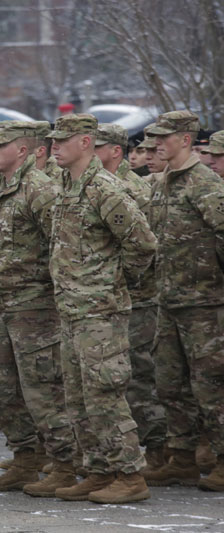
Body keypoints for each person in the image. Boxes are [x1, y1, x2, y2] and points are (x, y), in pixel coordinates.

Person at [48, 113, 155, 504]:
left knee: (105, 394)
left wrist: (113, 280)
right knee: (78, 398)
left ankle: (130, 475)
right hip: (71, 309)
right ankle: (98, 469)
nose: (54, 147)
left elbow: (143, 243)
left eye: (62, 140)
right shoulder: (66, 185)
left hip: (99, 313)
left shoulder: (103, 188)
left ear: (85, 143)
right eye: (53, 140)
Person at [0, 121, 78, 496]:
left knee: (43, 388)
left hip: (35, 307)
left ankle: (65, 464)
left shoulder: (39, 189)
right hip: (4, 305)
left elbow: (64, 244)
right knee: (5, 388)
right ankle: (25, 459)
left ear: (22, 151)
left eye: (0, 146)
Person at [144, 111, 224, 492]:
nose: (156, 144)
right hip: (169, 300)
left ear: (186, 140)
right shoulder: (164, 182)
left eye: (164, 138)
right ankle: (182, 459)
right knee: (170, 385)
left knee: (211, 386)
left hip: (205, 305)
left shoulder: (203, 182)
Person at [94, 123, 167, 472]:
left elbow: (145, 245)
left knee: (138, 376)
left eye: (97, 147)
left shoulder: (133, 188)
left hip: (138, 298)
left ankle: (158, 450)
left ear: (115, 151)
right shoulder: (89, 185)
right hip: (105, 301)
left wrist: (122, 276)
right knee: (107, 380)